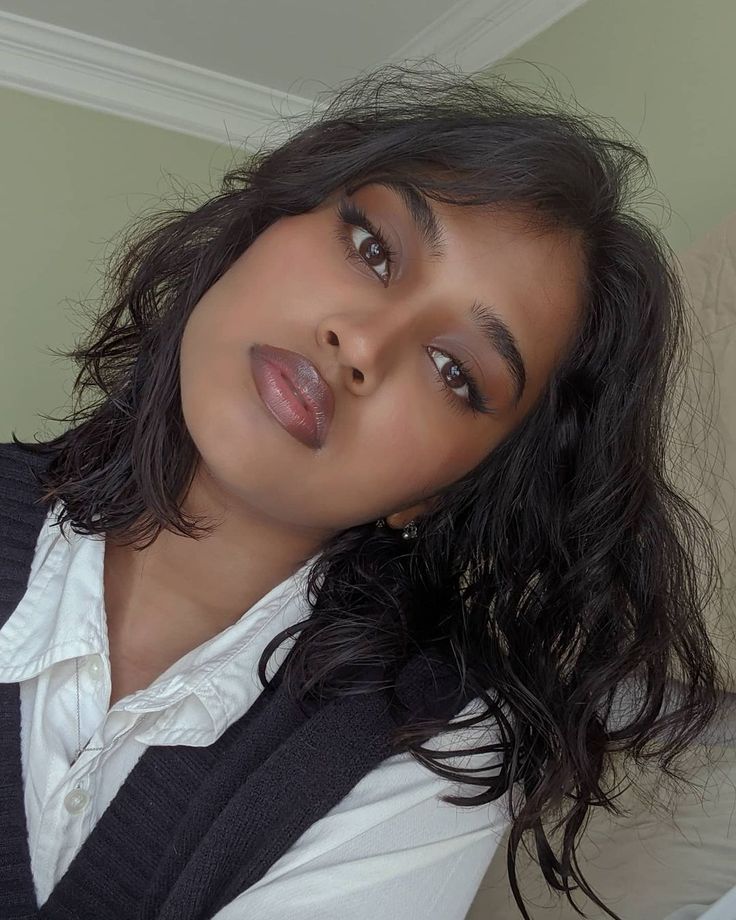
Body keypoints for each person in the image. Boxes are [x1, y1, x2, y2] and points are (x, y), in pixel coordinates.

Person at [0, 63, 724, 920]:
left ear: (449, 488)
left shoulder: (427, 752)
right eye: (374, 249)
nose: (362, 344)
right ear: (257, 235)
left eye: (455, 370)